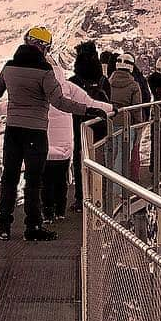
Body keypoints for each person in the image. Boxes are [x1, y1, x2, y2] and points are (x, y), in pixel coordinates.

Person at [0, 26, 112, 241]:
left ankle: (3, 226)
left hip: (13, 131)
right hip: (36, 133)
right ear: (44, 47)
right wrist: (87, 110)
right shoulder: (45, 71)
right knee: (34, 180)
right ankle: (32, 227)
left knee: (9, 177)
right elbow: (59, 102)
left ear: (26, 41)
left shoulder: (9, 67)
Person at [43, 51, 91, 222]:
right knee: (61, 179)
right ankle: (60, 211)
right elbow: (87, 102)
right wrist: (107, 109)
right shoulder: (68, 87)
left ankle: (47, 212)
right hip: (65, 145)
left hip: (47, 144)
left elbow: (16, 105)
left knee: (46, 180)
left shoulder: (39, 89)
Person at [69, 41, 109, 210]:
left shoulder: (73, 81)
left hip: (79, 125)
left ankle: (81, 198)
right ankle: (100, 196)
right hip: (100, 126)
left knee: (80, 160)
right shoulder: (103, 80)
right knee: (100, 159)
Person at [108, 54, 142, 179]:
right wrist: (139, 126)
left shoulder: (108, 82)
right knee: (122, 155)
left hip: (110, 122)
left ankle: (109, 185)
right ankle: (117, 190)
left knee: (110, 154)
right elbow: (136, 109)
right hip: (126, 125)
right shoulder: (134, 86)